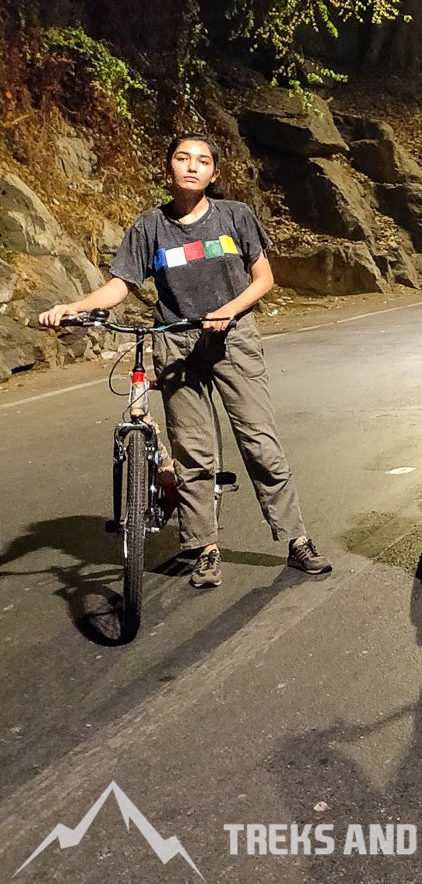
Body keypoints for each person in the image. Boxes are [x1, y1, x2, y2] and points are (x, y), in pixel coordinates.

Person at [38, 134, 331, 588]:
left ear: (214, 173)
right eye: (182, 158)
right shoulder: (149, 226)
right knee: (192, 452)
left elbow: (264, 276)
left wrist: (229, 310)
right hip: (175, 343)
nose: (192, 167)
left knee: (259, 441)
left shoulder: (235, 215)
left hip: (233, 338)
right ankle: (204, 547)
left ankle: (295, 538)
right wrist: (74, 307)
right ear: (168, 167)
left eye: (203, 161)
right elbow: (121, 286)